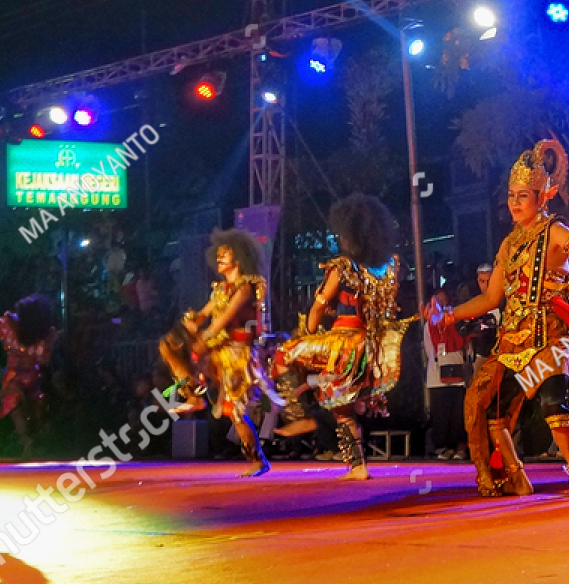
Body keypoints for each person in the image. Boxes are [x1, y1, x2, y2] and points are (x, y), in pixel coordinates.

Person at [448, 139, 569, 497]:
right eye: (511, 195)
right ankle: (515, 476)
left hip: (550, 334)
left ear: (542, 197)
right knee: (488, 405)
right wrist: (451, 315)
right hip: (512, 339)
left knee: (551, 404)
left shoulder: (556, 231)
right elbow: (492, 297)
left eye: (522, 196)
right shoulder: (509, 244)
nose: (513, 202)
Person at [273, 195, 408, 480]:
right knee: (343, 408)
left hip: (344, 341)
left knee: (283, 355)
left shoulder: (343, 267)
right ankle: (358, 467)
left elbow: (319, 305)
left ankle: (299, 418)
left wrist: (310, 330)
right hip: (374, 346)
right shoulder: (390, 267)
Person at [160, 229, 279, 477]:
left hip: (238, 353)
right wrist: (191, 324)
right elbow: (205, 316)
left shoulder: (244, 287)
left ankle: (258, 460)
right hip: (218, 348)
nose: (220, 258)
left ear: (238, 259)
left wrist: (204, 337)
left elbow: (223, 320)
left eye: (226, 254)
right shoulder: (220, 290)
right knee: (168, 344)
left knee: (235, 411)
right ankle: (194, 395)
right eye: (219, 254)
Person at [0, 294, 58, 458]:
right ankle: (34, 440)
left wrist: (10, 318)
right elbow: (44, 359)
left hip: (16, 377)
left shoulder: (10, 334)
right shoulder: (41, 341)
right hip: (33, 378)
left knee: (16, 407)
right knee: (33, 405)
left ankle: (27, 440)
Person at [422, 288, 468, 459]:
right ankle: (444, 447)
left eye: (444, 301)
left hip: (457, 373)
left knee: (458, 414)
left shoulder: (456, 321)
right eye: (437, 302)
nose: (441, 305)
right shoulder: (429, 325)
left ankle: (461, 447)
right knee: (441, 414)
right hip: (436, 375)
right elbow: (428, 350)